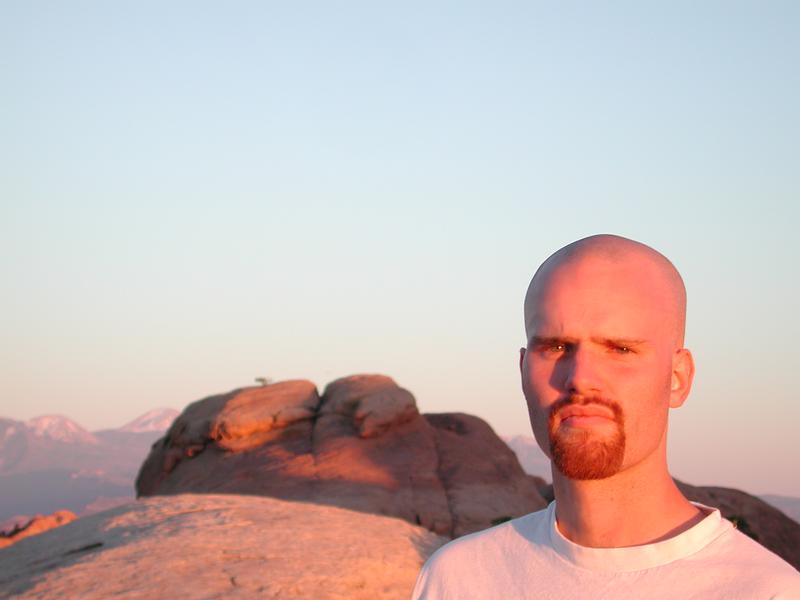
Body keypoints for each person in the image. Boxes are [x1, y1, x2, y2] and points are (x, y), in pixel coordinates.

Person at [412, 234, 800, 599]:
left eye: (620, 349)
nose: (581, 378)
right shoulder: (459, 578)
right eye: (556, 347)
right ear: (523, 370)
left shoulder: (766, 592)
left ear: (678, 378)